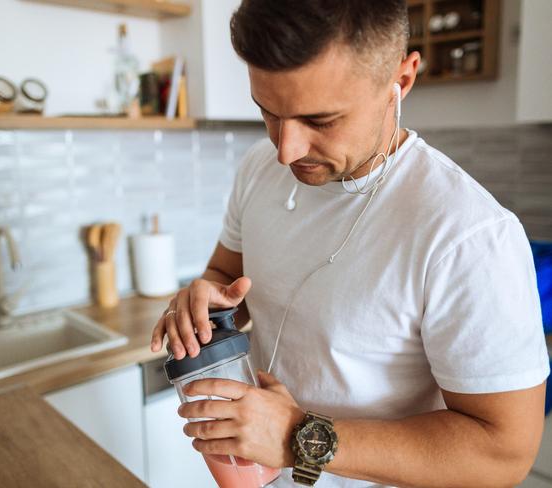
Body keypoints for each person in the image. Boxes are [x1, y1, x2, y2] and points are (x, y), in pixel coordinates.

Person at [150, 1, 550, 486]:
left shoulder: (468, 234)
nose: (286, 149)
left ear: (400, 82)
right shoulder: (260, 168)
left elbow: (502, 455)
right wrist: (202, 303)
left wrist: (298, 436)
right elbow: (224, 280)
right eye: (268, 113)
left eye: (320, 121)